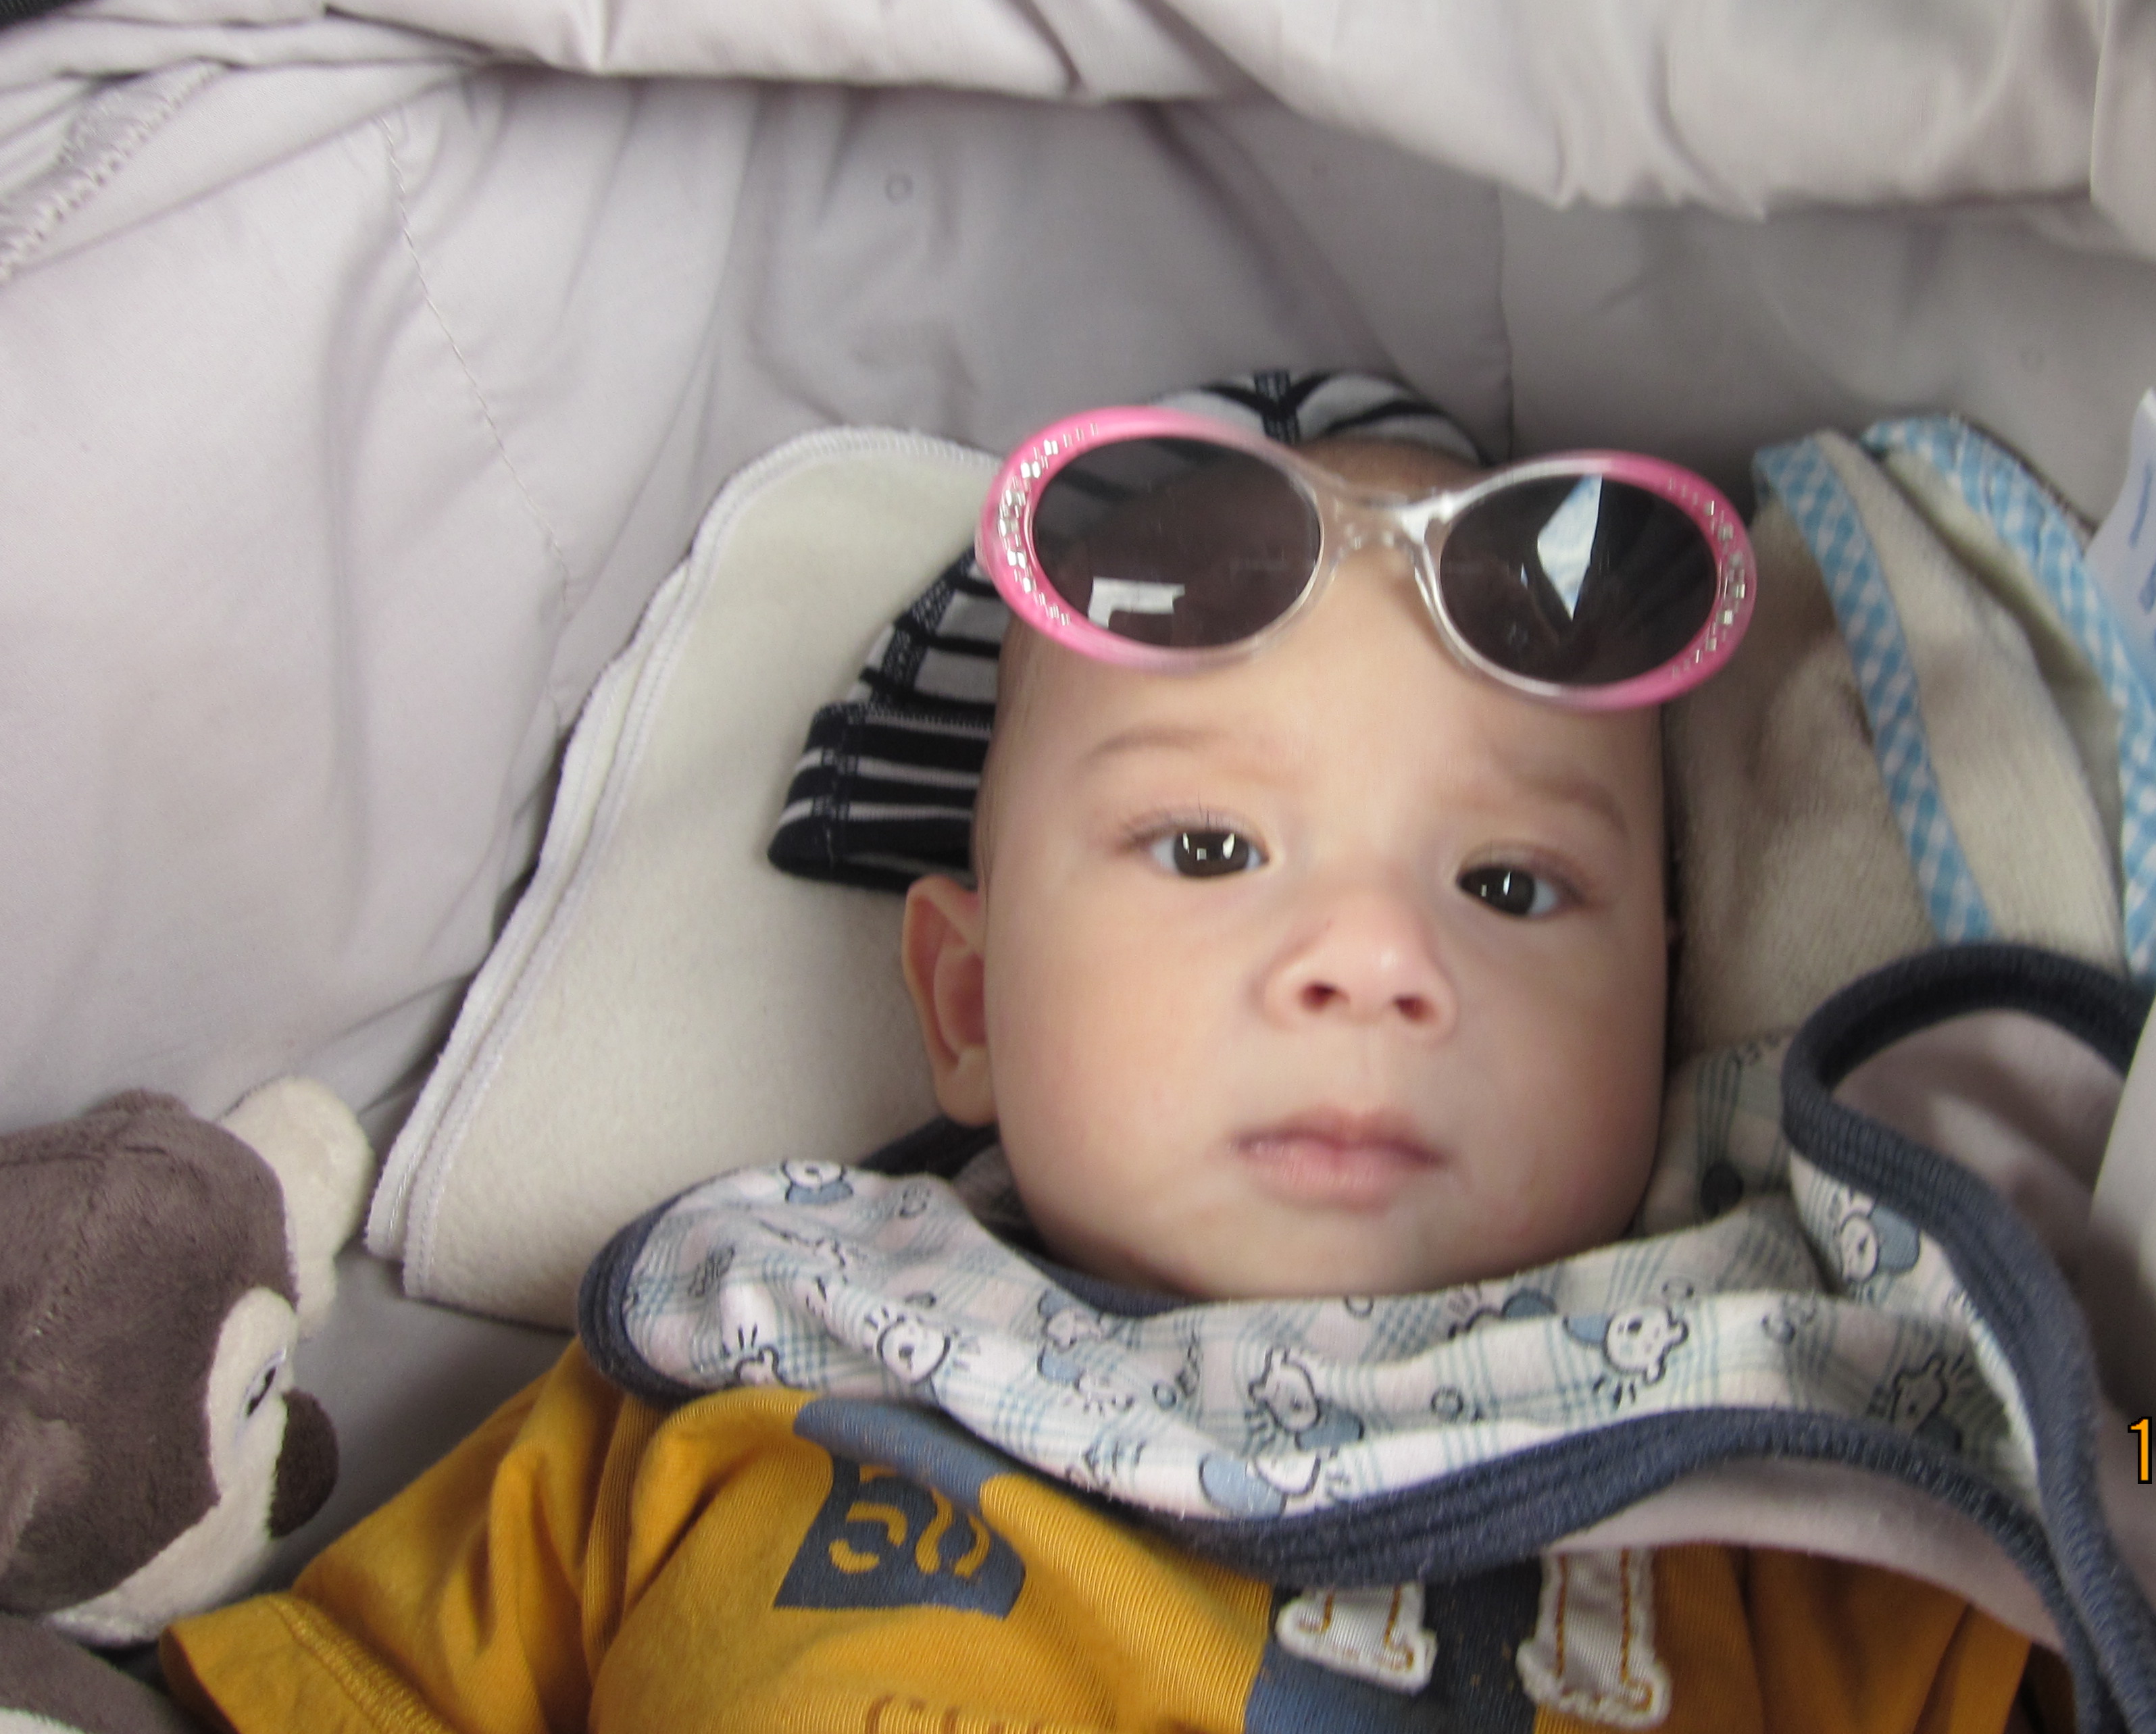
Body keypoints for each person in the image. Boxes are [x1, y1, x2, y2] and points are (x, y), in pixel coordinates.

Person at [163, 401, 2040, 1734]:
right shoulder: (760, 1348)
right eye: (1211, 849)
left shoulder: (1779, 1435)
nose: (1378, 960)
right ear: (969, 1006)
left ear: (1663, 1009)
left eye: (1507, 885)